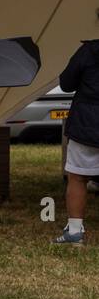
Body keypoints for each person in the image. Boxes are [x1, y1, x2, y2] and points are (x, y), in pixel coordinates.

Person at [53, 38, 99, 245]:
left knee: (77, 177)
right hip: (87, 123)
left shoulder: (89, 50)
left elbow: (66, 83)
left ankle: (74, 232)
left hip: (86, 124)